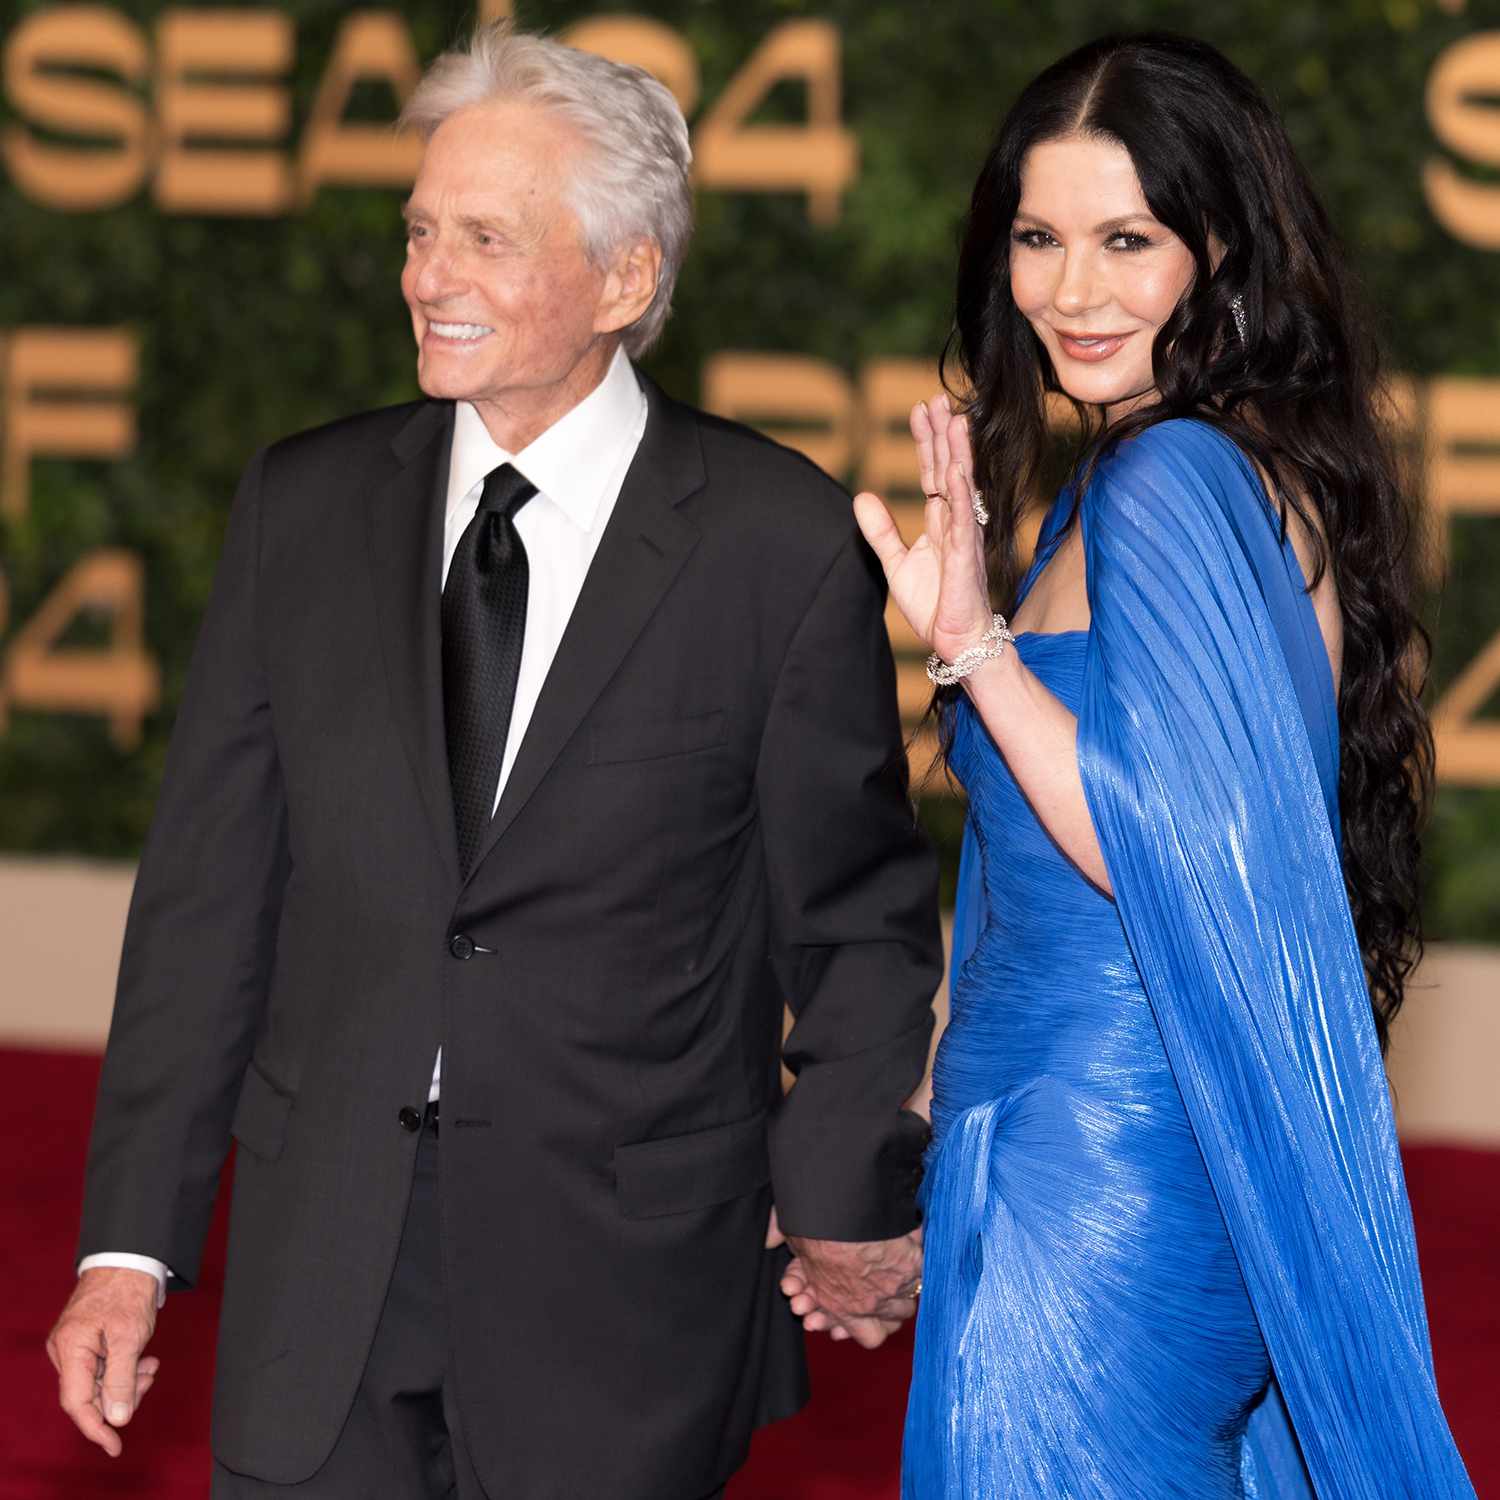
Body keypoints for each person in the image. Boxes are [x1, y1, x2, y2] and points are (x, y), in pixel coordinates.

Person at [45, 22, 941, 1500]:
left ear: (627, 278)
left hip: (623, 1293)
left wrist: (848, 1197)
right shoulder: (305, 508)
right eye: (417, 232)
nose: (427, 277)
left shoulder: (774, 548)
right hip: (319, 1270)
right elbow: (207, 908)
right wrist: (128, 1248)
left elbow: (851, 918)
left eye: (484, 239)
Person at [797, 30, 1476, 1498]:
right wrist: (914, 1135)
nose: (1073, 290)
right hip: (1088, 1134)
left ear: (1218, 248)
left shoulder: (1171, 480)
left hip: (1098, 1173)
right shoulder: (1178, 475)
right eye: (1040, 237)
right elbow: (1034, 889)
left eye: (1129, 239)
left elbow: (1166, 846)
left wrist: (974, 647)